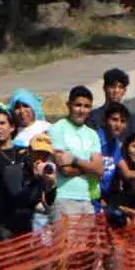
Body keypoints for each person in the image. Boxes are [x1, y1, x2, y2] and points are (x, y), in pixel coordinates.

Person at [0, 106, 51, 244]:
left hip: (29, 226)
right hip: (1, 229)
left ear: (12, 127)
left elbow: (39, 186)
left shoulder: (26, 153)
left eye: (2, 123)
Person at [44, 86, 104, 223]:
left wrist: (74, 160)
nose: (82, 110)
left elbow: (100, 169)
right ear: (69, 105)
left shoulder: (92, 134)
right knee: (65, 245)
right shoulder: (57, 129)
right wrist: (89, 167)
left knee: (85, 245)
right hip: (63, 198)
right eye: (78, 105)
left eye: (86, 106)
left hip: (86, 199)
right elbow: (64, 169)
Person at [99, 67, 135, 139]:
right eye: (112, 86)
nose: (116, 91)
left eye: (120, 87)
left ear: (124, 91)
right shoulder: (93, 117)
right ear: (104, 88)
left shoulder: (132, 119)